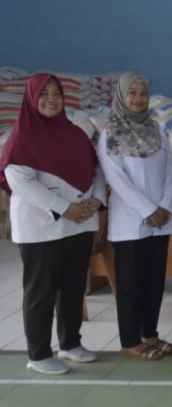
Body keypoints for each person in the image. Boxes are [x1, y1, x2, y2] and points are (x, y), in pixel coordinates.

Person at [0, 73, 106, 375]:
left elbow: (96, 169)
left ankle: (70, 343)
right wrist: (64, 208)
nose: (51, 99)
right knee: (41, 291)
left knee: (73, 288)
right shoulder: (21, 138)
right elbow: (20, 181)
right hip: (41, 228)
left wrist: (96, 201)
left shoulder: (75, 134)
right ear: (32, 99)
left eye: (56, 93)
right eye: (44, 94)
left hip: (80, 223)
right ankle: (39, 353)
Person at [97, 72, 172, 360]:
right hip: (129, 221)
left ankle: (150, 333)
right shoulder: (110, 133)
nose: (138, 98)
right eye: (132, 93)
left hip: (161, 220)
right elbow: (116, 179)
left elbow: (169, 170)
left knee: (153, 281)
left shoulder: (158, 130)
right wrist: (148, 210)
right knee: (129, 283)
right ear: (121, 95)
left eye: (143, 93)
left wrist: (164, 206)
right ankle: (130, 339)